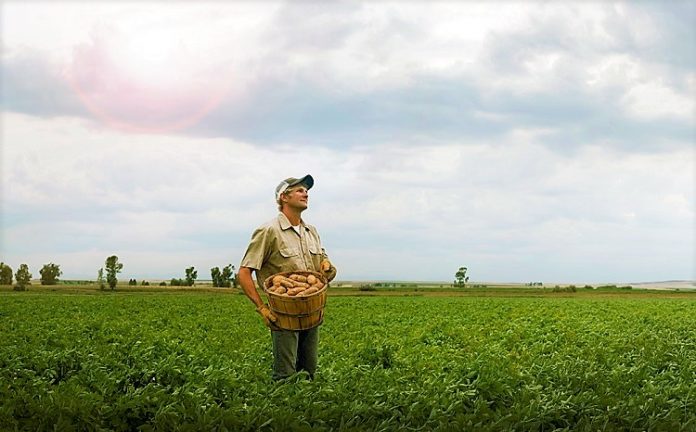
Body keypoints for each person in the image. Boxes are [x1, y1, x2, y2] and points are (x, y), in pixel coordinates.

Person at [238, 174, 337, 380]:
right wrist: (262, 308)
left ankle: (307, 409)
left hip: (312, 311)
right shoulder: (269, 231)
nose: (306, 193)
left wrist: (328, 266)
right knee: (285, 375)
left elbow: (324, 267)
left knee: (309, 372)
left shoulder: (311, 231)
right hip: (284, 313)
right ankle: (284, 409)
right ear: (284, 197)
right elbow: (244, 273)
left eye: (306, 190)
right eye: (300, 190)